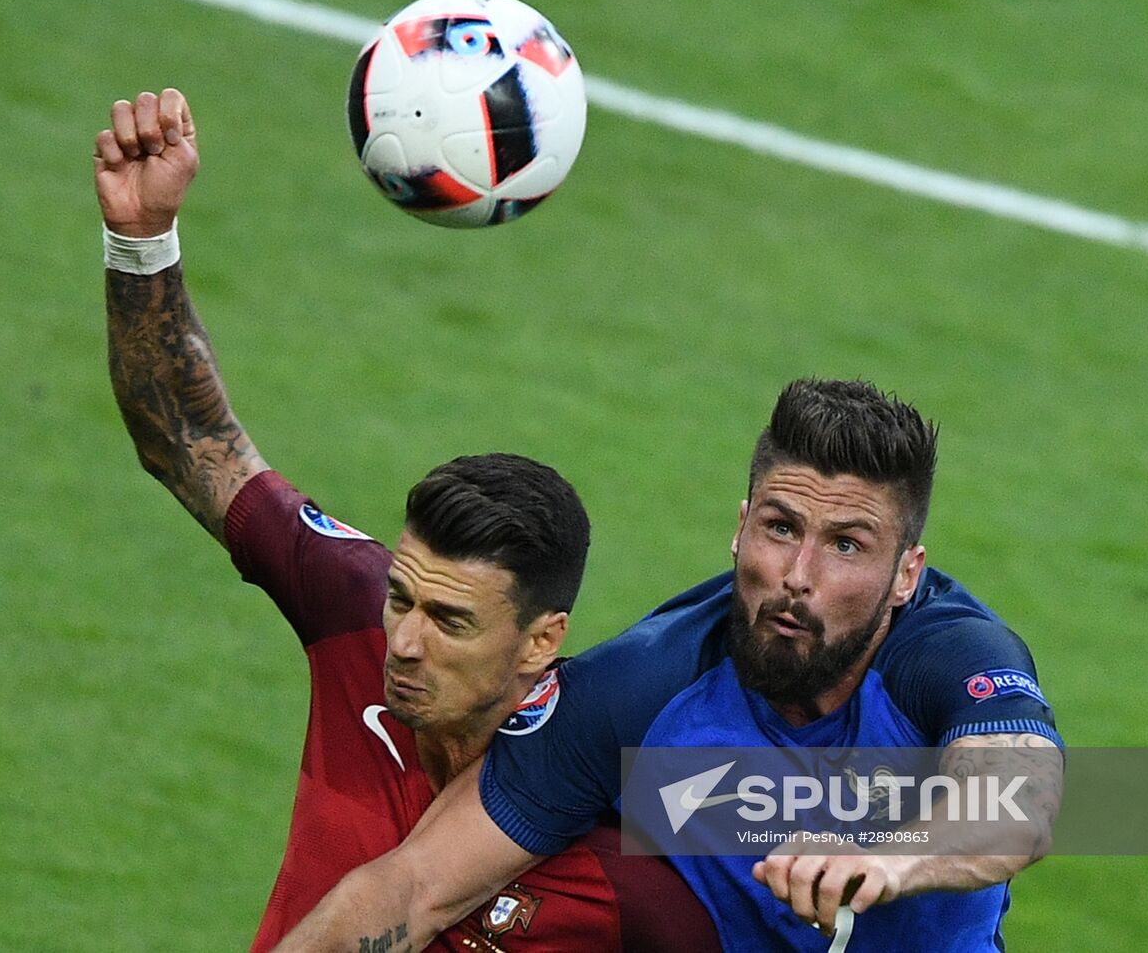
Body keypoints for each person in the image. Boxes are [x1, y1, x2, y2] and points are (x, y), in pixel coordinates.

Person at [94, 88, 721, 952]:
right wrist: (140, 237)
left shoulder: (628, 843)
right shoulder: (354, 612)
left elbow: (887, 815)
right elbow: (190, 439)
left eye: (452, 620)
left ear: (543, 641)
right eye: (405, 600)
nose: (405, 642)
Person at [279, 380, 1065, 952]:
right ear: (739, 529)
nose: (798, 572)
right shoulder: (641, 690)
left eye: (846, 545)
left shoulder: (950, 653)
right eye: (780, 526)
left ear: (906, 574)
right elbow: (412, 888)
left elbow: (1021, 800)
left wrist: (884, 859)